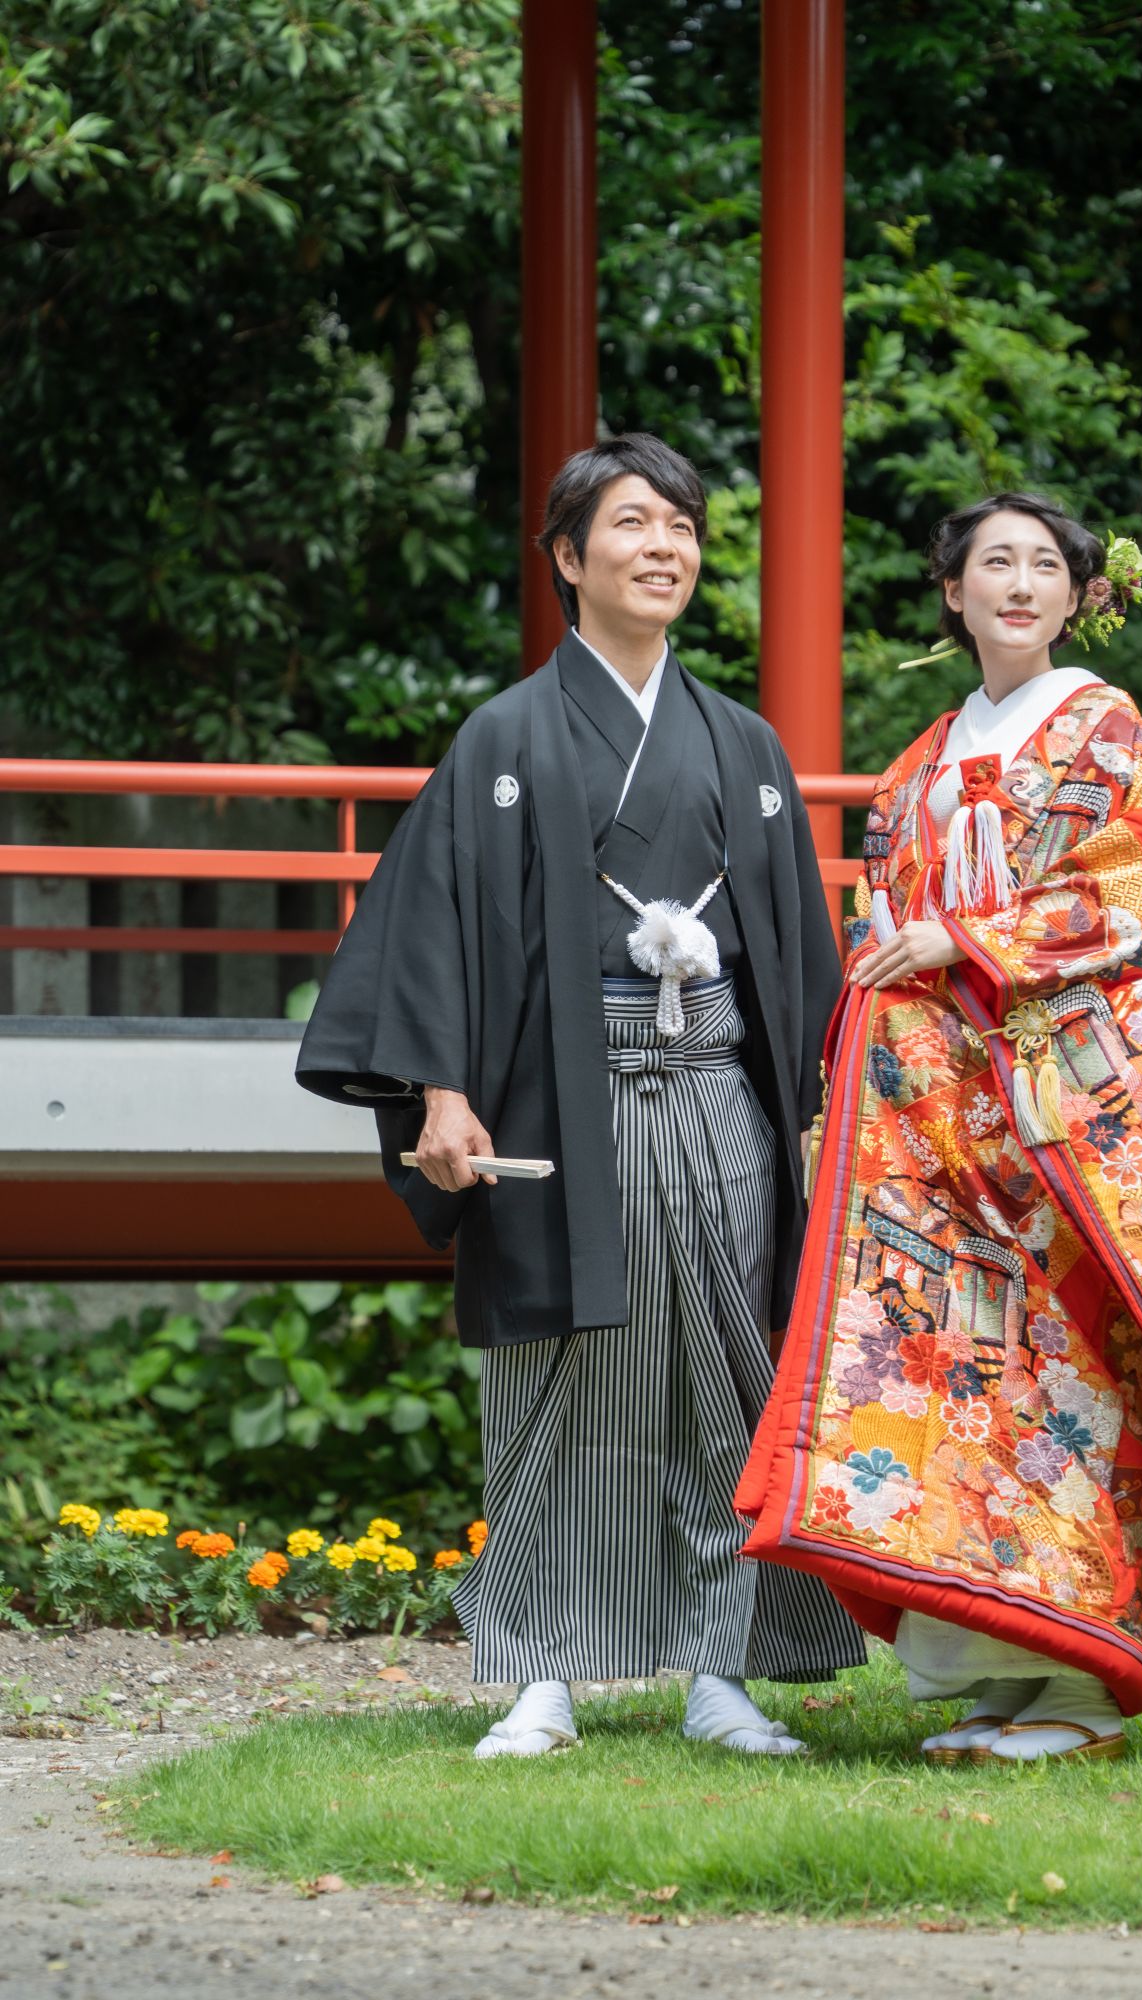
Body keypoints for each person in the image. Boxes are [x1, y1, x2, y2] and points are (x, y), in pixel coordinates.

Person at [297, 432, 864, 1757]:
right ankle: (542, 1671)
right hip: (562, 1107)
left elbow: (795, 955)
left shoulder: (740, 746)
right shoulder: (505, 736)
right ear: (568, 555)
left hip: (716, 1097)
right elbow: (435, 925)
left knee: (733, 1364)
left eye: (682, 526)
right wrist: (439, 1092)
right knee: (556, 1373)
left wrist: (821, 1108)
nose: (664, 546)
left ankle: (723, 1673)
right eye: (631, 524)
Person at [735, 492, 1142, 1763]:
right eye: (992, 565)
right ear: (952, 594)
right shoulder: (913, 764)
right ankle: (996, 1674)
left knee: (1072, 1375)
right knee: (953, 1378)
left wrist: (967, 941)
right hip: (943, 1136)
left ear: (1075, 595)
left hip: (1061, 1122)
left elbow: (1132, 892)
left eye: (1042, 566)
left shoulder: (1100, 726)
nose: (1017, 584)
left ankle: (1079, 1690)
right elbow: (881, 922)